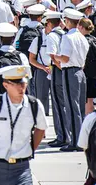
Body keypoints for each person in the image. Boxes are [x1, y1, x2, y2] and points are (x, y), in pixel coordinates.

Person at [0, 65, 47, 185]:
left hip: (22, 170)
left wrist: (29, 149)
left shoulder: (34, 105)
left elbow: (41, 129)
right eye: (16, 83)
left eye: (23, 82)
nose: (21, 87)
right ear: (6, 85)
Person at [51, 8, 89, 152]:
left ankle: (75, 142)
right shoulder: (81, 37)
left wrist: (56, 57)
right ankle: (80, 140)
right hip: (80, 71)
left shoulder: (68, 37)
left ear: (68, 21)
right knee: (79, 107)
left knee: (72, 108)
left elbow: (65, 58)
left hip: (70, 71)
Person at [42, 10, 68, 148]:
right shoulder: (65, 34)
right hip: (65, 70)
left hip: (58, 71)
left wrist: (61, 69)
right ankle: (66, 134)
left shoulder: (52, 36)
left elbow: (52, 56)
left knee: (58, 105)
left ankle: (62, 136)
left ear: (50, 23)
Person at [0, 23, 29, 95]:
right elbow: (27, 79)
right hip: (18, 98)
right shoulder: (22, 56)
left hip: (0, 98)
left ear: (0, 39)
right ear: (13, 39)